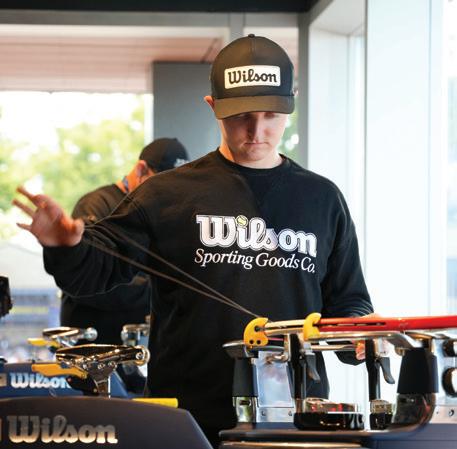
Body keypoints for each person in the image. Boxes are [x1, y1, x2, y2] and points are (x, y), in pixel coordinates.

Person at [14, 35, 373, 447]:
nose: (257, 131)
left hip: (295, 420)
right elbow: (95, 273)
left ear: (291, 103)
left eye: (271, 115)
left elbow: (349, 302)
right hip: (186, 421)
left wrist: (358, 338)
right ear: (213, 106)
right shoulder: (165, 194)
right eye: (241, 116)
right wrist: (65, 245)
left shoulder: (323, 199)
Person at [60, 137, 189, 345]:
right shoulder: (97, 205)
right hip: (95, 343)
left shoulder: (159, 214)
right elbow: (90, 278)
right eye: (161, 185)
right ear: (141, 169)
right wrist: (162, 287)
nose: (168, 195)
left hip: (138, 344)